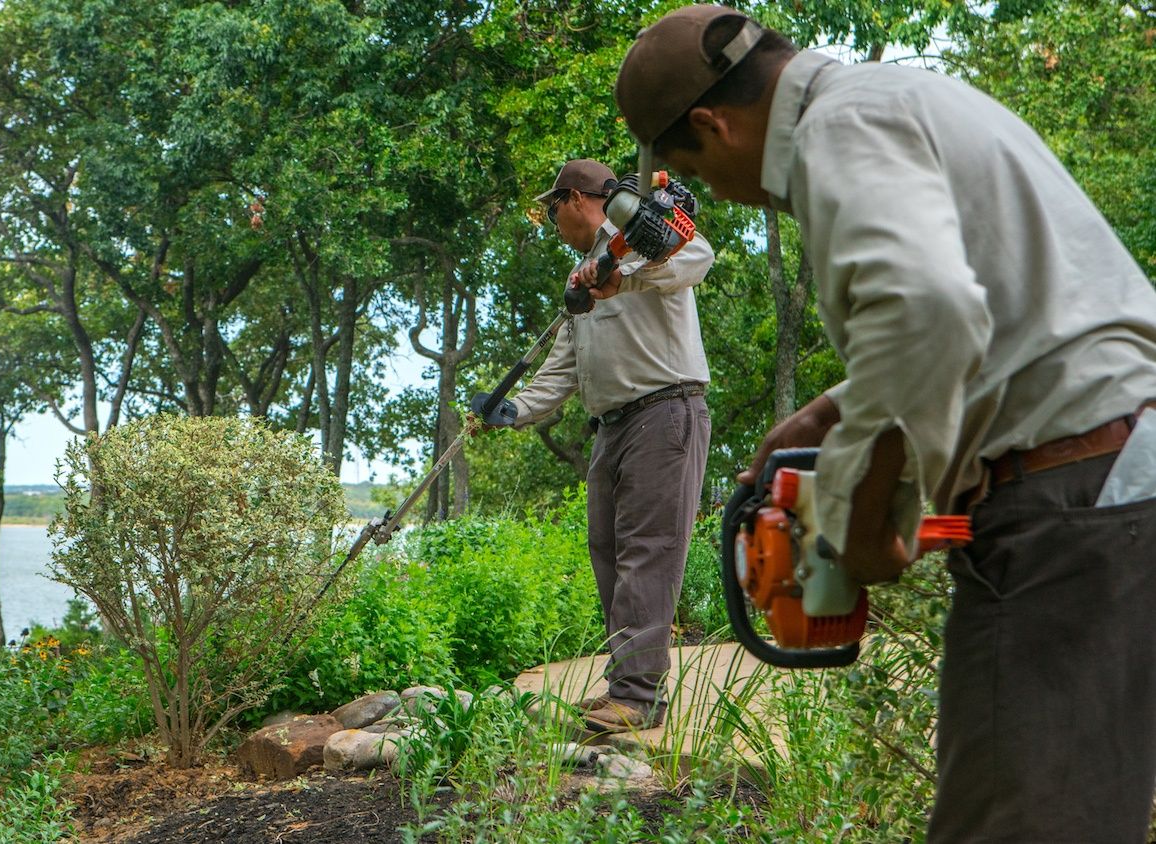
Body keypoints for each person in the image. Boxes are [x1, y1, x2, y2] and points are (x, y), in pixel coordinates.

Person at [610, 5, 1156, 840]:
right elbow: (987, 310)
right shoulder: (899, 96)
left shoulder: (840, 130)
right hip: (1116, 480)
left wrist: (861, 518)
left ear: (713, 125)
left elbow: (931, 314)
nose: (714, 194)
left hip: (1071, 500)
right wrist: (832, 411)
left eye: (697, 172)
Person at [473, 158, 715, 734]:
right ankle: (626, 685)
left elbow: (697, 257)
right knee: (607, 550)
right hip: (612, 426)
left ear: (578, 199)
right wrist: (512, 411)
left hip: (665, 411)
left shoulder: (643, 234)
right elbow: (562, 371)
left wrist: (623, 275)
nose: (551, 221)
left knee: (647, 551)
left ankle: (639, 696)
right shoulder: (580, 276)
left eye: (551, 208)